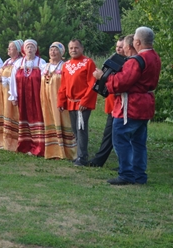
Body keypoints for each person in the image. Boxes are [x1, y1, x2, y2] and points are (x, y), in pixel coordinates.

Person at [93, 27, 161, 185]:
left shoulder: (135, 61)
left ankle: (126, 174)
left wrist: (102, 77)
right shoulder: (155, 57)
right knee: (138, 142)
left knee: (120, 139)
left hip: (131, 105)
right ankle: (139, 175)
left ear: (137, 42)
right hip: (146, 103)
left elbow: (120, 83)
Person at [58, 39, 98, 166]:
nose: (73, 50)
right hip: (71, 102)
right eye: (71, 48)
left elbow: (92, 84)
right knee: (75, 129)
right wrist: (61, 101)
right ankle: (78, 154)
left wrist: (85, 101)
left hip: (82, 103)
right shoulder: (66, 65)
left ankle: (82, 157)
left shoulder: (88, 63)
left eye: (76, 47)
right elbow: (63, 85)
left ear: (82, 48)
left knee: (81, 128)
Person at [89, 37, 125, 167]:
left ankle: (125, 164)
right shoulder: (113, 59)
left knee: (121, 136)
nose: (118, 49)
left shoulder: (129, 63)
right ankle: (99, 160)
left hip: (122, 103)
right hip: (111, 101)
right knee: (109, 133)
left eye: (121, 47)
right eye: (117, 46)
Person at [9, 39, 47, 156]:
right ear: (23, 50)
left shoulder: (41, 63)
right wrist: (13, 96)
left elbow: (46, 79)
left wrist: (44, 96)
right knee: (24, 118)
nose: (30, 49)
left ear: (36, 49)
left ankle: (39, 147)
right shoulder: (18, 63)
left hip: (36, 96)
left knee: (37, 118)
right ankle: (25, 145)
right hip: (23, 97)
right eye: (28, 47)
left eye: (32, 47)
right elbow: (13, 80)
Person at [40, 42, 76, 160]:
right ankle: (52, 150)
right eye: (51, 50)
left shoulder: (64, 66)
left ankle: (67, 151)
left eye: (56, 50)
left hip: (60, 100)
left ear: (61, 53)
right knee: (49, 120)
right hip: (47, 99)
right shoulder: (45, 66)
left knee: (63, 121)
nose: (53, 52)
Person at [0, 39, 23, 151]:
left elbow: (18, 79)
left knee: (12, 114)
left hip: (11, 93)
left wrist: (4, 79)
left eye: (11, 47)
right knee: (3, 113)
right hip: (2, 92)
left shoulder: (20, 62)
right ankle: (2, 140)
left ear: (18, 50)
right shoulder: (7, 61)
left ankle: (13, 142)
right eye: (8, 47)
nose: (8, 49)